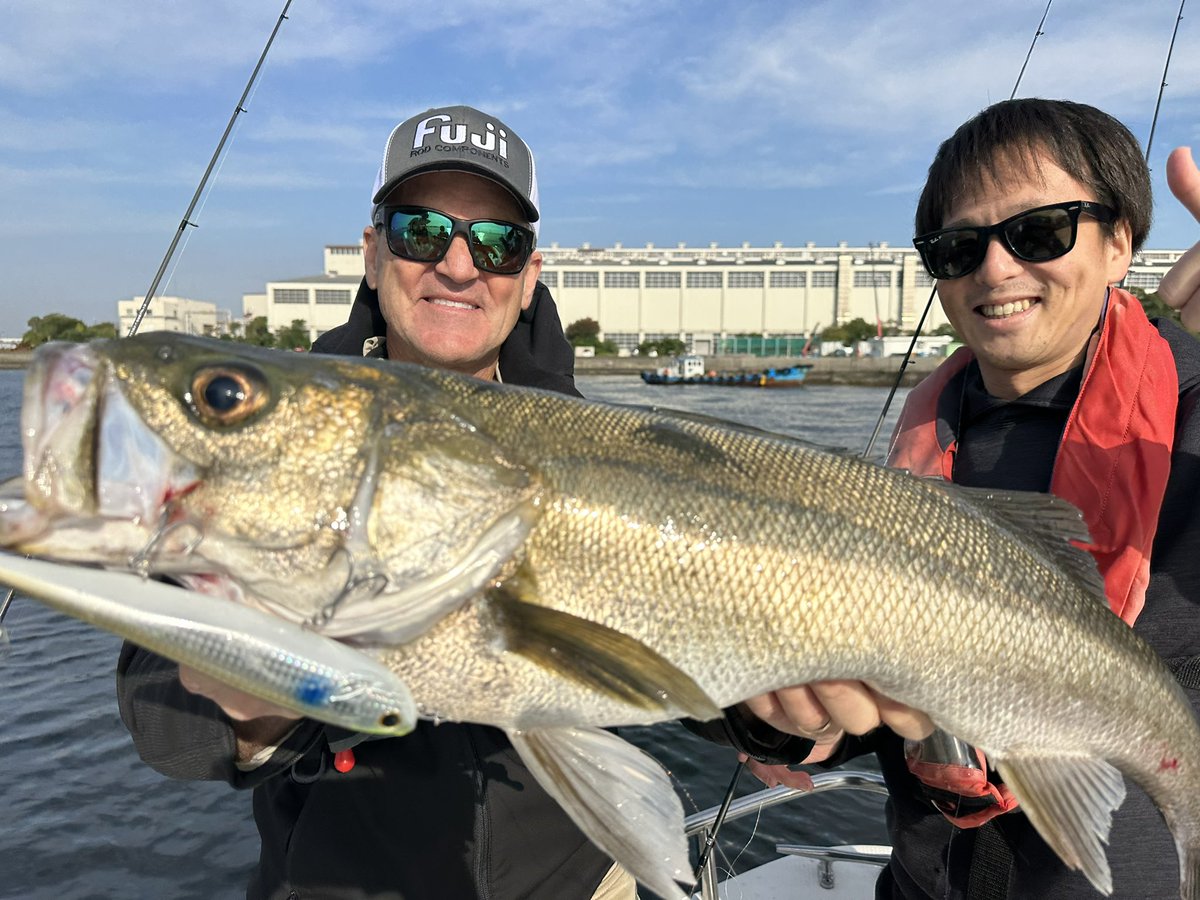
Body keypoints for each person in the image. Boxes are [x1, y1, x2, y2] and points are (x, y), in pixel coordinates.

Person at [116, 105, 632, 900]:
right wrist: (254, 706)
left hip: (583, 880)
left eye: (496, 243)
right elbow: (162, 723)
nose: (457, 267)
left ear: (529, 276)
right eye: (421, 231)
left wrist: (782, 730)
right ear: (372, 252)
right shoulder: (265, 440)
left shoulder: (606, 457)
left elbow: (708, 669)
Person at [711, 99, 1200, 897]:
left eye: (1038, 231)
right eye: (958, 248)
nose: (995, 269)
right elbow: (867, 695)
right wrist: (772, 718)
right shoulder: (915, 459)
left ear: (1120, 242)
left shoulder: (1192, 424)